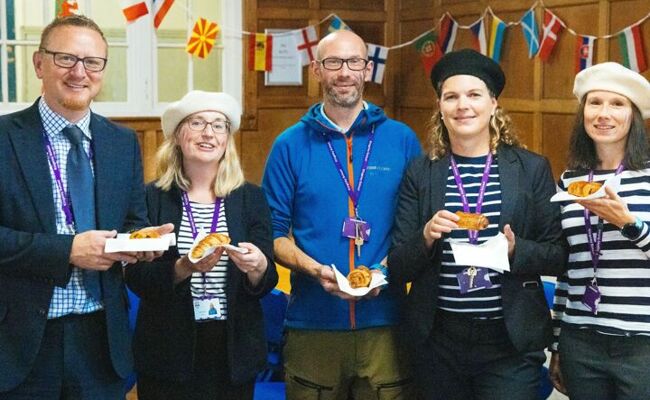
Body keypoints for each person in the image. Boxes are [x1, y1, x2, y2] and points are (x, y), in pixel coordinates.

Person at [0, 15, 171, 399]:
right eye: (66, 59)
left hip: (100, 343)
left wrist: (139, 245)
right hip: (19, 344)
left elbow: (133, 221)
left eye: (92, 62)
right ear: (39, 64)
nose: (80, 72)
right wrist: (68, 251)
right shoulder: (4, 138)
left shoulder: (122, 142)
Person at [387, 49, 567, 400]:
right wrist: (425, 237)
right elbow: (397, 265)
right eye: (451, 97)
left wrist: (517, 250)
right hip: (438, 343)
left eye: (473, 95)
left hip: (509, 344)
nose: (462, 106)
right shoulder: (421, 172)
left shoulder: (531, 169)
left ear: (493, 103)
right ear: (440, 106)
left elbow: (558, 256)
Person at [262, 30, 422, 398]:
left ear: (368, 69)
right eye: (333, 63)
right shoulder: (289, 145)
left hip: (387, 323)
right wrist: (315, 270)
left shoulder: (402, 139)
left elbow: (414, 228)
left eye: (354, 62)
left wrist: (382, 272)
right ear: (317, 70)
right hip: (313, 324)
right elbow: (273, 232)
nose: (344, 72)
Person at [124, 90, 278, 400]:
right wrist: (182, 268)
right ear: (178, 136)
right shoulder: (149, 197)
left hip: (234, 352)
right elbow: (136, 277)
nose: (209, 132)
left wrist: (257, 267)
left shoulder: (251, 198)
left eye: (219, 125)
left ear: (227, 140)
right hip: (167, 352)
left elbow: (267, 278)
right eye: (197, 123)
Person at [549, 62, 650, 400]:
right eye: (595, 103)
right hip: (581, 341)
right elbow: (569, 267)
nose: (603, 113)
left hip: (642, 344)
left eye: (617, 104)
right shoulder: (570, 181)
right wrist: (558, 342)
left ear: (633, 116)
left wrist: (631, 225)